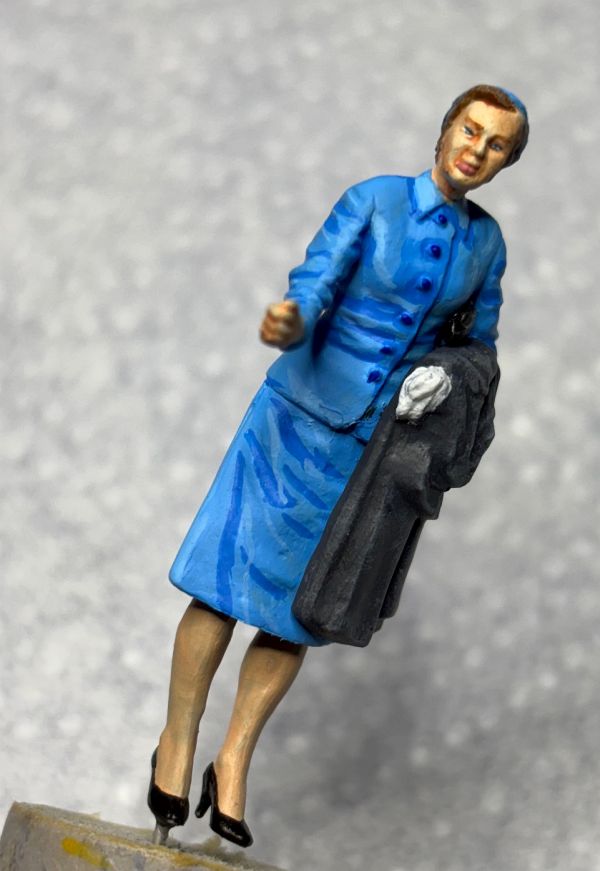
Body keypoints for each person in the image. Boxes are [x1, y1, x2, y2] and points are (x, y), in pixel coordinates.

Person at [147, 84, 529, 848]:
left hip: (371, 450)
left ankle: (234, 758)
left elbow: (480, 349)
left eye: (495, 146)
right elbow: (316, 278)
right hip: (293, 418)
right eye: (470, 129)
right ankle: (177, 743)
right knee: (222, 584)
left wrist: (448, 374)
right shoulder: (375, 200)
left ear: (503, 164)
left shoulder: (486, 245)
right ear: (446, 128)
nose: (476, 150)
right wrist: (293, 318)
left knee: (301, 610)